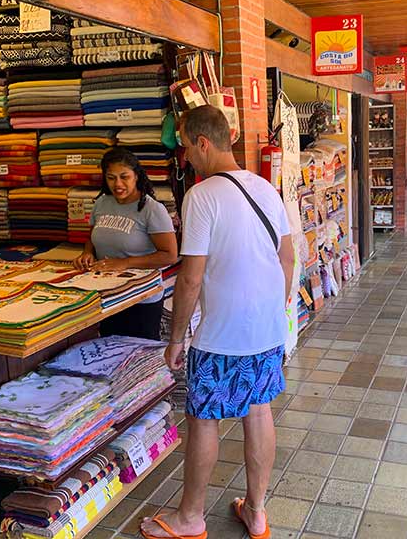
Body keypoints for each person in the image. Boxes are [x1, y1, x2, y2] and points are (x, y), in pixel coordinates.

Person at [141, 106, 294, 539]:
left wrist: (175, 338)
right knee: (258, 410)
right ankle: (257, 511)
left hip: (221, 335)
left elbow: (190, 277)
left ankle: (190, 519)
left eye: (187, 147)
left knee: (204, 419)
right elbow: (287, 256)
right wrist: (270, 307)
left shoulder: (202, 196)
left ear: (203, 143)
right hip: (266, 330)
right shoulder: (266, 188)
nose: (186, 157)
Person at [73, 147, 178, 339]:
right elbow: (92, 237)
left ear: (136, 176)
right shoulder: (102, 203)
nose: (118, 184)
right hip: (106, 295)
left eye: (124, 177)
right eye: (111, 177)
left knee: (139, 357)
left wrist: (125, 263)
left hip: (141, 299)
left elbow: (169, 255)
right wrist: (87, 253)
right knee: (109, 353)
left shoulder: (152, 209)